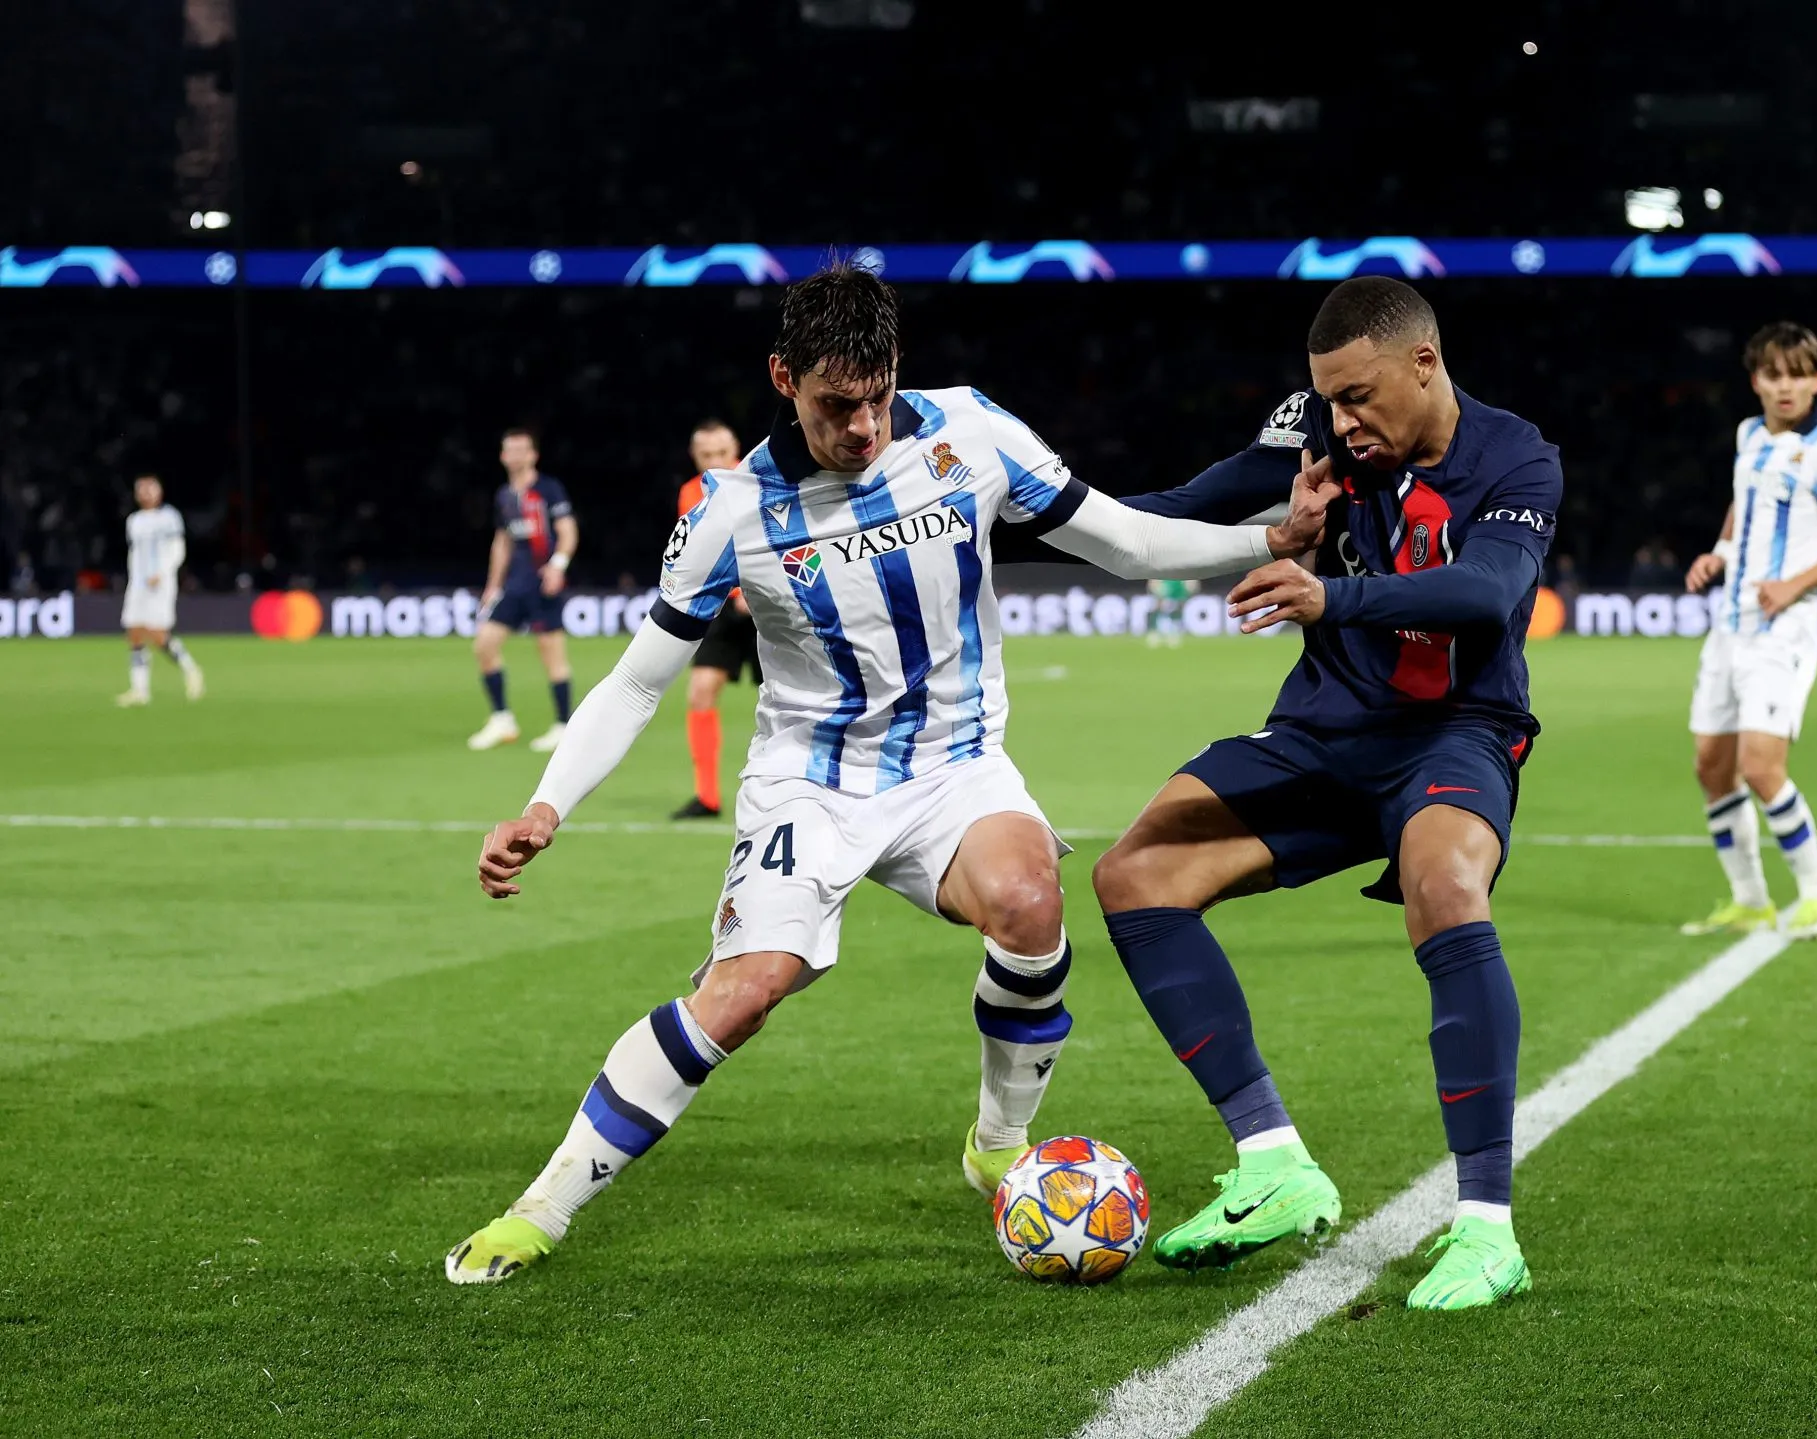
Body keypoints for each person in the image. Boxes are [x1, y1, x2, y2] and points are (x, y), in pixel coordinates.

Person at [444, 263, 1333, 1285]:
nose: (862, 426)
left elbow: (1124, 542)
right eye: (834, 404)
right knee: (741, 995)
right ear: (783, 377)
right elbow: (639, 682)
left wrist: (1267, 535)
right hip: (809, 784)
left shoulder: (970, 433)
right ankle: (540, 1207)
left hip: (953, 766)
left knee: (1030, 900)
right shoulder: (733, 512)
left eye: (875, 396)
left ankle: (997, 1142)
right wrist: (545, 805)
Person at [1095, 276, 1562, 1311]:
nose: (1340, 423)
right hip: (1321, 733)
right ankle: (1273, 1163)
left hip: (1454, 732)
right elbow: (1180, 507)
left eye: (1358, 397)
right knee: (1135, 873)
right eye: (1327, 401)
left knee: (1445, 880)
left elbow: (1485, 592)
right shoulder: (1316, 431)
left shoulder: (1515, 456)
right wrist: (1006, 515)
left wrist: (1327, 590)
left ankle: (1488, 1226)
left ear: (1423, 364)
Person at [1678, 322, 1817, 941]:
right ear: (1756, 381)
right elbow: (1745, 500)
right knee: (1712, 766)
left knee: (1762, 767)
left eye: (1798, 374)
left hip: (1782, 628)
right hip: (1731, 622)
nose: (1785, 386)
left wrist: (1795, 585)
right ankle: (1751, 900)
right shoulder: (1748, 435)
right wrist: (1719, 551)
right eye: (1773, 374)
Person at [467, 428, 579, 753]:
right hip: (514, 585)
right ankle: (502, 719)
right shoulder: (504, 495)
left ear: (533, 455)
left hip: (543, 582)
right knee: (484, 645)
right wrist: (493, 585)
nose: (515, 455)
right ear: (503, 456)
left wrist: (558, 565)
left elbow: (568, 531)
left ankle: (562, 725)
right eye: (510, 450)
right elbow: (502, 541)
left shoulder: (548, 490)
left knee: (551, 653)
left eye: (521, 450)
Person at [672, 419, 758, 819]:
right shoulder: (691, 493)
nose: (714, 462)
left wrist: (752, 591)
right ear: (695, 457)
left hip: (768, 603)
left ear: (735, 449)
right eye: (705, 455)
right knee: (701, 690)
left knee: (787, 696)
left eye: (721, 453)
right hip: (725, 605)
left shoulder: (760, 479)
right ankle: (707, 796)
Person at [112, 475, 204, 706]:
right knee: (134, 633)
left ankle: (191, 670)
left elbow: (177, 549)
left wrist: (161, 573)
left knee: (157, 634)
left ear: (159, 492)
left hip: (161, 584)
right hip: (138, 584)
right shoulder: (134, 520)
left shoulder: (169, 517)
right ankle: (140, 690)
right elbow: (134, 554)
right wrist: (134, 579)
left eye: (150, 489)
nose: (146, 493)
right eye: (142, 489)